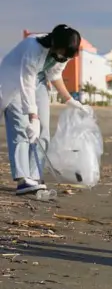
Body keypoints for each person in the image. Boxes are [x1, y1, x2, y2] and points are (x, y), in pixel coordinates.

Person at [0, 24, 92, 195]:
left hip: (39, 81)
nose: (63, 58)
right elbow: (26, 83)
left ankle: (34, 177)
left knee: (43, 131)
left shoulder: (65, 53)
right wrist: (32, 116)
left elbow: (54, 75)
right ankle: (22, 179)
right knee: (21, 129)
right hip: (13, 82)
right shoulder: (32, 46)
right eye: (62, 54)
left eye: (66, 57)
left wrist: (70, 100)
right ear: (55, 43)